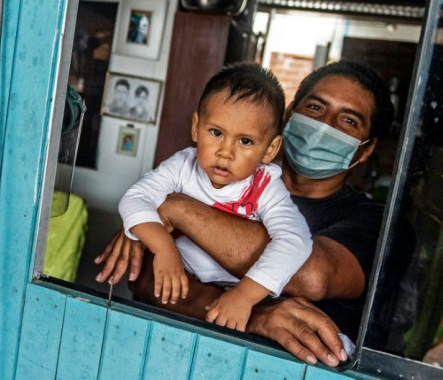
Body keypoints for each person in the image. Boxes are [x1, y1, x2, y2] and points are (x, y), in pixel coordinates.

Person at [95, 59, 394, 367]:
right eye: (316, 109)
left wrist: (173, 208)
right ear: (290, 117)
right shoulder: (198, 173)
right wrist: (151, 227)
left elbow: (311, 276)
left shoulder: (374, 222)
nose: (324, 127)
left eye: (349, 121)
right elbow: (143, 276)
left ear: (366, 149)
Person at [119, 64, 312, 331]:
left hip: (238, 296)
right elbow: (135, 197)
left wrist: (245, 296)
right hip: (175, 281)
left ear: (270, 149)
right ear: (197, 127)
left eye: (245, 141)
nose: (225, 152)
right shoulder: (182, 166)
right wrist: (164, 248)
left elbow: (295, 241)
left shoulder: (266, 187)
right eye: (216, 133)